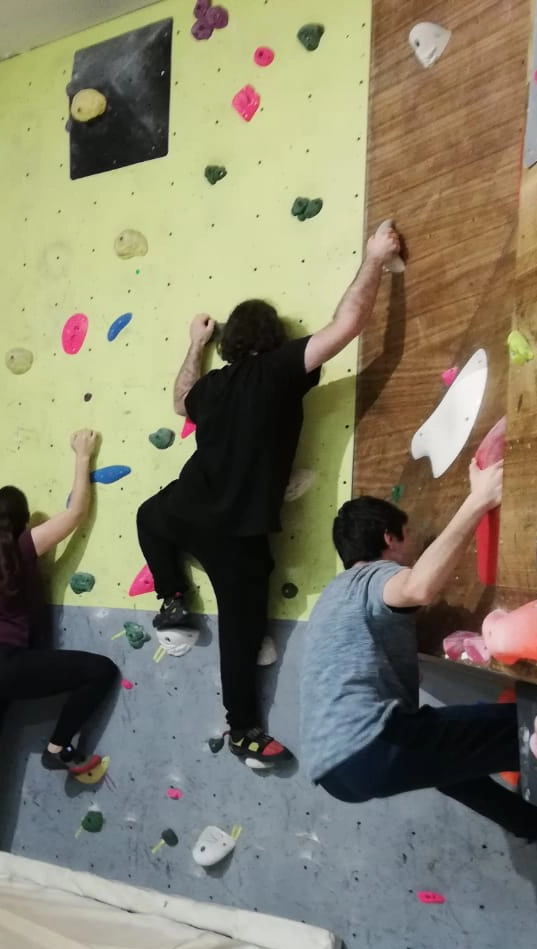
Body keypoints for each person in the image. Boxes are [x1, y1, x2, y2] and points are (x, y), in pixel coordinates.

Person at [136, 222, 405, 772]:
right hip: (239, 537)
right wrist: (375, 258)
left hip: (188, 511)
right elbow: (348, 323)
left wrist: (195, 343)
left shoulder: (212, 387)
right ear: (274, 340)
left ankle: (171, 598)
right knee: (240, 638)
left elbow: (179, 398)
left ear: (231, 344)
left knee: (147, 515)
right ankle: (244, 732)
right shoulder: (280, 370)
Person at [296, 460, 537, 844]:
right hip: (372, 744)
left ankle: (534, 828)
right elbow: (418, 588)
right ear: (390, 539)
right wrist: (478, 500)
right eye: (408, 535)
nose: (413, 544)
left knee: (448, 768)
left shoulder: (333, 598)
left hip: (336, 774)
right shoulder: (372, 576)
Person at [0, 430, 119, 898]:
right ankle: (57, 748)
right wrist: (82, 455)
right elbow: (75, 514)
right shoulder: (24, 546)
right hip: (6, 665)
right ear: (24, 517)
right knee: (101, 670)